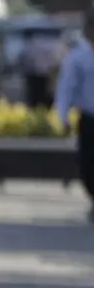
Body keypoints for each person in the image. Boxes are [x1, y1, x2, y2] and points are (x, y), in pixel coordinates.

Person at [53, 12, 94, 220]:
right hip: (89, 118)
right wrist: (63, 115)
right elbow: (66, 88)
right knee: (87, 162)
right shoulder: (78, 57)